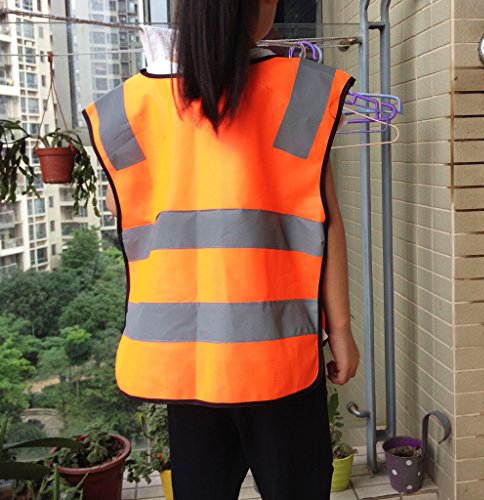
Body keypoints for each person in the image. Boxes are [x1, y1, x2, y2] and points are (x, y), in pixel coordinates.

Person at [88, 1, 360, 499]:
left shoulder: (135, 105)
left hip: (186, 361)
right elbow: (325, 217)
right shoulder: (300, 93)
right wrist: (340, 330)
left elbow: (118, 202)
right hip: (280, 353)